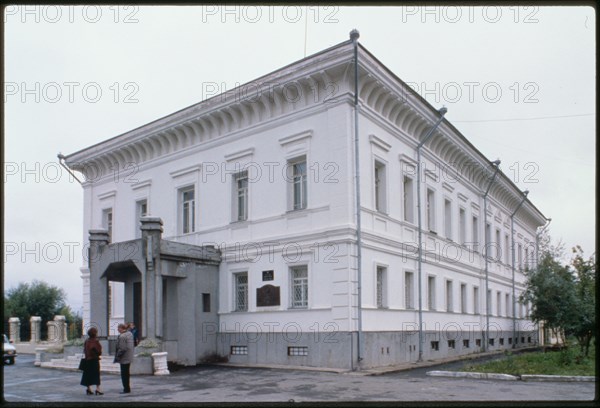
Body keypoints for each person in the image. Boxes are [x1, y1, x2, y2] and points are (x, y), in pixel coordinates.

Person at [80, 327, 103, 395]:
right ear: (95, 334)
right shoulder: (96, 341)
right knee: (96, 374)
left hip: (87, 360)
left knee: (87, 375)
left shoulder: (87, 341)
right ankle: (98, 389)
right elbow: (99, 352)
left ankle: (88, 389)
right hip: (94, 360)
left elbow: (85, 350)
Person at [114, 323, 134, 394]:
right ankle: (127, 388)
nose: (117, 329)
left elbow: (122, 348)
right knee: (127, 373)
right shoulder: (130, 334)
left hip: (124, 358)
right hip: (129, 357)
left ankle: (126, 389)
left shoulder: (122, 336)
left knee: (124, 374)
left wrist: (117, 356)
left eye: (118, 328)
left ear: (120, 328)